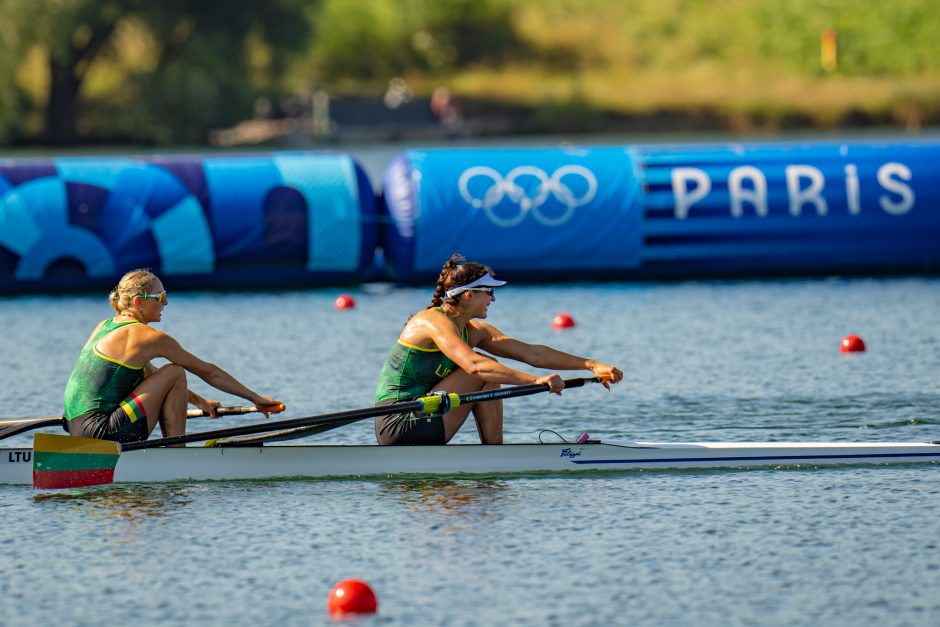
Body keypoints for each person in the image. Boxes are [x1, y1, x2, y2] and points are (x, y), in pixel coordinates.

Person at [374, 254, 623, 445]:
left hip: (427, 416)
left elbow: (533, 354)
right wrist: (536, 381)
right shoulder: (431, 321)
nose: (493, 298)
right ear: (468, 295)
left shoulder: (475, 331)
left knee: (490, 374)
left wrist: (591, 364)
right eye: (489, 292)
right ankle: (495, 455)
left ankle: (495, 453)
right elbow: (474, 366)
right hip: (398, 420)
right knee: (484, 365)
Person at [63, 269, 284, 443]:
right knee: (175, 371)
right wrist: (255, 398)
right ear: (139, 301)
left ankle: (168, 452)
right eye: (160, 297)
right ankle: (176, 452)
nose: (165, 303)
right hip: (103, 434)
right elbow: (208, 371)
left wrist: (200, 401)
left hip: (77, 430)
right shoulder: (148, 337)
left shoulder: (105, 325)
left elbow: (153, 376)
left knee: (165, 375)